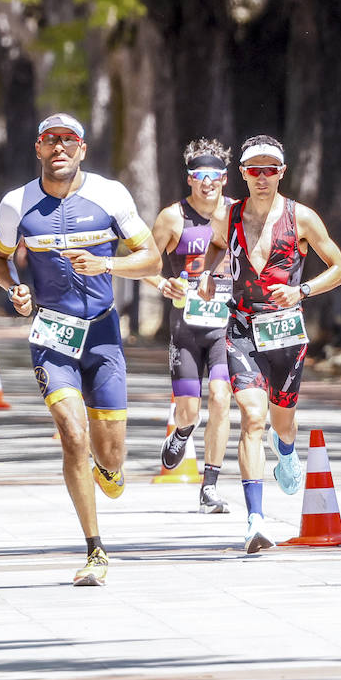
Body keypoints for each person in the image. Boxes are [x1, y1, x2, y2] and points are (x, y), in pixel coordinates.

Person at [0, 114, 160, 587]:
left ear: (82, 149)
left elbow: (151, 258)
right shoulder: (16, 204)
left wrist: (107, 262)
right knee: (72, 435)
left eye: (69, 141)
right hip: (51, 336)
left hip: (102, 335)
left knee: (111, 453)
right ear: (37, 149)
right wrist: (15, 289)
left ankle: (110, 469)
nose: (59, 148)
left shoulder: (111, 195)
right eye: (50, 141)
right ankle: (95, 549)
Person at [197, 135, 341, 553]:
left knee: (282, 422)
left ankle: (285, 450)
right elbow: (213, 250)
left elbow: (340, 268)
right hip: (243, 327)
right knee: (250, 417)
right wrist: (208, 277)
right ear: (242, 174)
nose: (262, 177)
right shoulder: (227, 215)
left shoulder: (302, 219)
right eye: (253, 170)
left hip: (285, 334)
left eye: (270, 170)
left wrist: (302, 291)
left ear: (282, 172)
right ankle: (255, 521)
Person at [142, 139, 235, 514]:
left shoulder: (237, 214)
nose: (207, 183)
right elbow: (142, 262)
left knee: (222, 397)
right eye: (199, 176)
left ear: (225, 179)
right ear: (190, 179)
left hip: (226, 325)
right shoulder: (172, 217)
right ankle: (182, 432)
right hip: (186, 328)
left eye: (213, 176)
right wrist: (163, 284)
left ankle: (209, 486)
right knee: (189, 411)